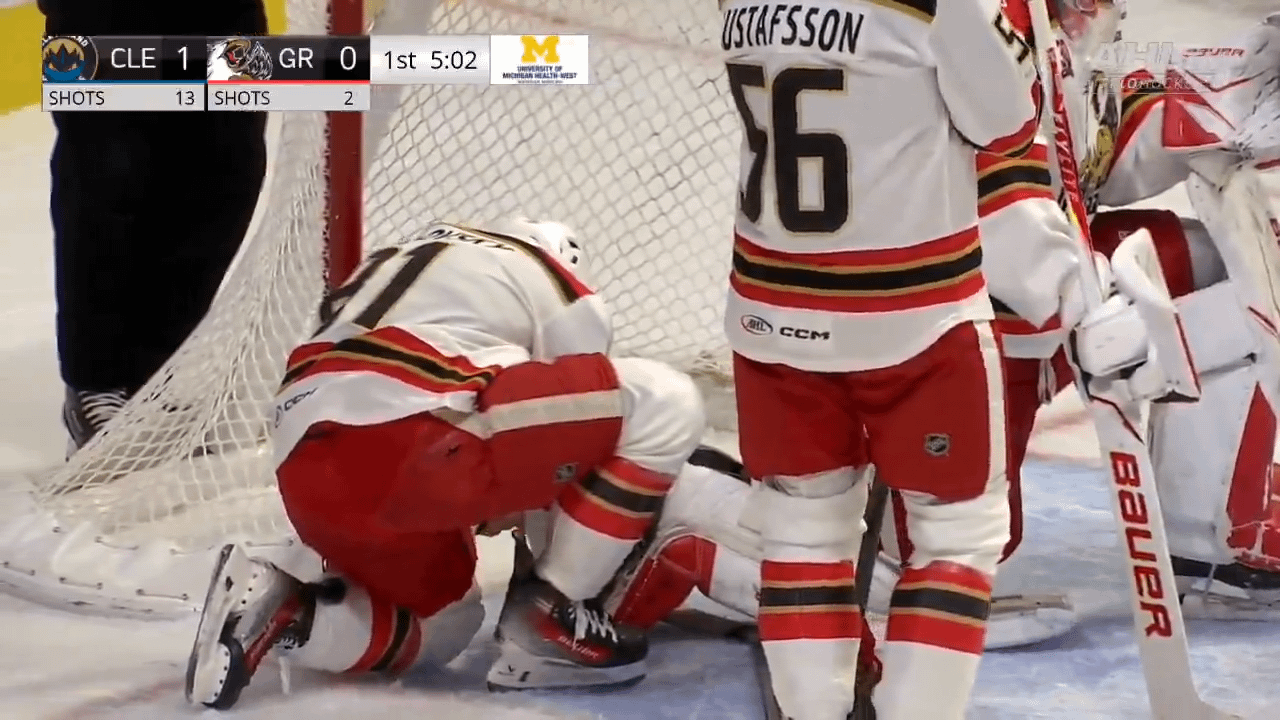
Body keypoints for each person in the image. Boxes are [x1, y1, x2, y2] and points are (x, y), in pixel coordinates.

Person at [183, 219, 706, 709]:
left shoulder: (392, 262)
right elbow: (583, 451)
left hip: (304, 468)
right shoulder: (554, 277)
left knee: (445, 624)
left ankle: (285, 607)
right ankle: (551, 620)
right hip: (419, 436)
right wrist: (577, 564)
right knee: (663, 402)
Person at [719, 0, 1044, 716]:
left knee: (802, 533)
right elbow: (1009, 126)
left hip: (770, 309)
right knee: (957, 535)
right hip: (913, 314)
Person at [41, 0, 269, 450]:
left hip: (228, 13)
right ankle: (96, 381)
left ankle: (157, 371)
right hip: (100, 12)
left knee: (227, 174)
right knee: (106, 179)